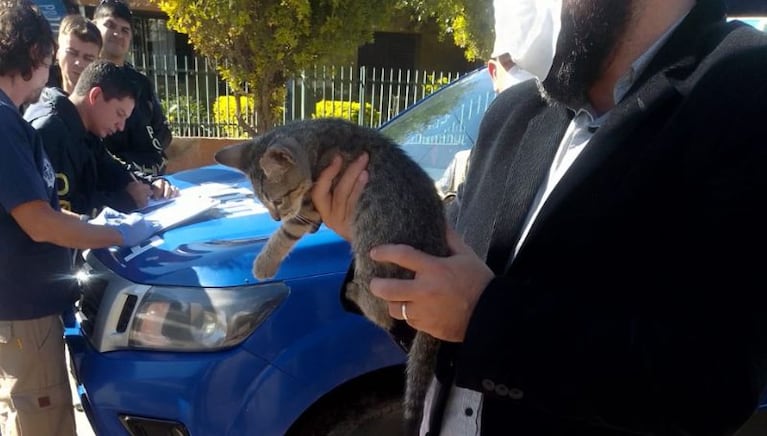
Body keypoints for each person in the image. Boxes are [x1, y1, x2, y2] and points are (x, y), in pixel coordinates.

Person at [312, 0, 767, 434]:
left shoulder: (742, 91)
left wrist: (482, 315)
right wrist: (375, 240)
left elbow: (711, 385)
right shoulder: (516, 112)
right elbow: (444, 328)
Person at [0, 2, 158, 434]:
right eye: (52, 59)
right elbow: (40, 220)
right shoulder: (7, 122)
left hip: (28, 306)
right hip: (23, 309)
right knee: (43, 420)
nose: (53, 72)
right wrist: (118, 234)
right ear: (33, 54)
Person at [25, 54, 177, 216]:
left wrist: (151, 184)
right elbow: (58, 212)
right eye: (119, 114)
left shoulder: (83, 126)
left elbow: (111, 168)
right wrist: (125, 200)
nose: (121, 126)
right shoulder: (51, 132)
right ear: (95, 96)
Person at [437, 0, 561, 198]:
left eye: (546, 61)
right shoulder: (468, 166)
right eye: (513, 64)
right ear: (493, 72)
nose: (531, 75)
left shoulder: (575, 155)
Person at [92, 0, 172, 176]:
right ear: (94, 26)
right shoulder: (81, 78)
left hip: (149, 181)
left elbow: (161, 133)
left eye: (125, 30)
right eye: (110, 25)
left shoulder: (141, 84)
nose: (117, 34)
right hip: (100, 181)